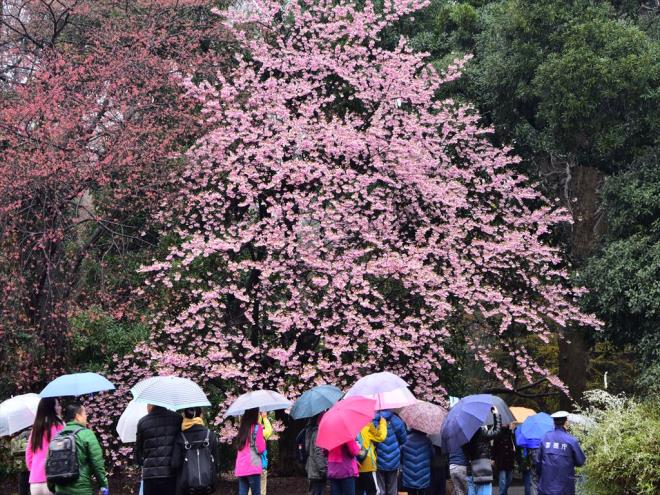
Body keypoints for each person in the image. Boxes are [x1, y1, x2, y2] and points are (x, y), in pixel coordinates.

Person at [51, 402, 108, 495]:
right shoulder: (86, 434)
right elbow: (97, 463)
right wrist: (104, 486)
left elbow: (49, 464)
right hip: (81, 489)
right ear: (78, 416)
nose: (86, 417)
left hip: (60, 489)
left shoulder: (57, 436)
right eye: (84, 414)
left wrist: (54, 487)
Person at [135, 404, 182, 495]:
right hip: (171, 474)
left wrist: (144, 462)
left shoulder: (143, 422)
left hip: (150, 476)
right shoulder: (177, 419)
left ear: (151, 405)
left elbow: (138, 452)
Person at [171, 407, 219, 495]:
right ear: (200, 415)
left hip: (186, 487)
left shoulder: (180, 437)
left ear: (185, 416)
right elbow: (216, 463)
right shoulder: (210, 435)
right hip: (207, 485)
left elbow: (175, 463)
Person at [537, 411, 586, 495]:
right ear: (566, 422)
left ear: (554, 422)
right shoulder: (571, 440)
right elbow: (580, 461)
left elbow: (538, 461)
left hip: (546, 486)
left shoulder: (545, 438)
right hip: (565, 487)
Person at [26, 397, 64, 495]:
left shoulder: (36, 428)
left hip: (35, 480)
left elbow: (29, 453)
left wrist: (34, 468)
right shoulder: (59, 426)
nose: (60, 407)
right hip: (53, 477)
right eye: (57, 405)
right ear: (51, 408)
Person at [464, 407, 501, 495]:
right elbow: (497, 431)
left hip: (470, 470)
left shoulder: (465, 434)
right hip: (483, 470)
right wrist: (496, 415)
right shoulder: (481, 432)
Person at [372, 410, 407, 495]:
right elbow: (403, 440)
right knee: (392, 486)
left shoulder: (374, 421)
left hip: (379, 458)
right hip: (394, 459)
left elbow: (372, 440)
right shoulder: (397, 421)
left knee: (380, 487)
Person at [234, 408, 266, 495]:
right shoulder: (257, 427)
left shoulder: (242, 429)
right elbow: (261, 449)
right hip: (253, 466)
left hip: (241, 466)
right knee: (256, 493)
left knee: (242, 493)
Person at [356, 415, 387, 495]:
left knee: (358, 491)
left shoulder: (351, 428)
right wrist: (383, 424)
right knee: (374, 491)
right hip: (368, 464)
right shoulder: (368, 426)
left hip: (355, 465)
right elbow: (381, 437)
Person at [400, 429, 433, 495]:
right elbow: (432, 454)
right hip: (423, 474)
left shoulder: (405, 439)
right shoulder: (427, 440)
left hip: (408, 474)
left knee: (410, 492)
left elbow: (401, 455)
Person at [249, 412, 273, 495]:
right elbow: (269, 430)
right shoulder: (261, 433)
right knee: (262, 490)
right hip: (261, 465)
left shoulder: (246, 433)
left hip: (249, 465)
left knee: (250, 489)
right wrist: (265, 417)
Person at [304, 414, 328, 495]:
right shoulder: (318, 433)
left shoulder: (310, 431)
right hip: (317, 471)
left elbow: (308, 449)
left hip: (312, 469)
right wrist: (323, 470)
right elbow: (319, 452)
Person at [492, 424, 515, 495]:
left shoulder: (511, 433)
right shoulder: (498, 432)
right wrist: (493, 458)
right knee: (502, 480)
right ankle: (502, 493)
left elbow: (515, 443)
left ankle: (504, 492)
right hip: (501, 460)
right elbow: (494, 447)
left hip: (510, 460)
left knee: (509, 479)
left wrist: (511, 431)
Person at [12, 427, 31, 495]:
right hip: (32, 464)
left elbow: (13, 453)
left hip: (20, 466)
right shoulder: (34, 433)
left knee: (22, 486)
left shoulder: (15, 438)